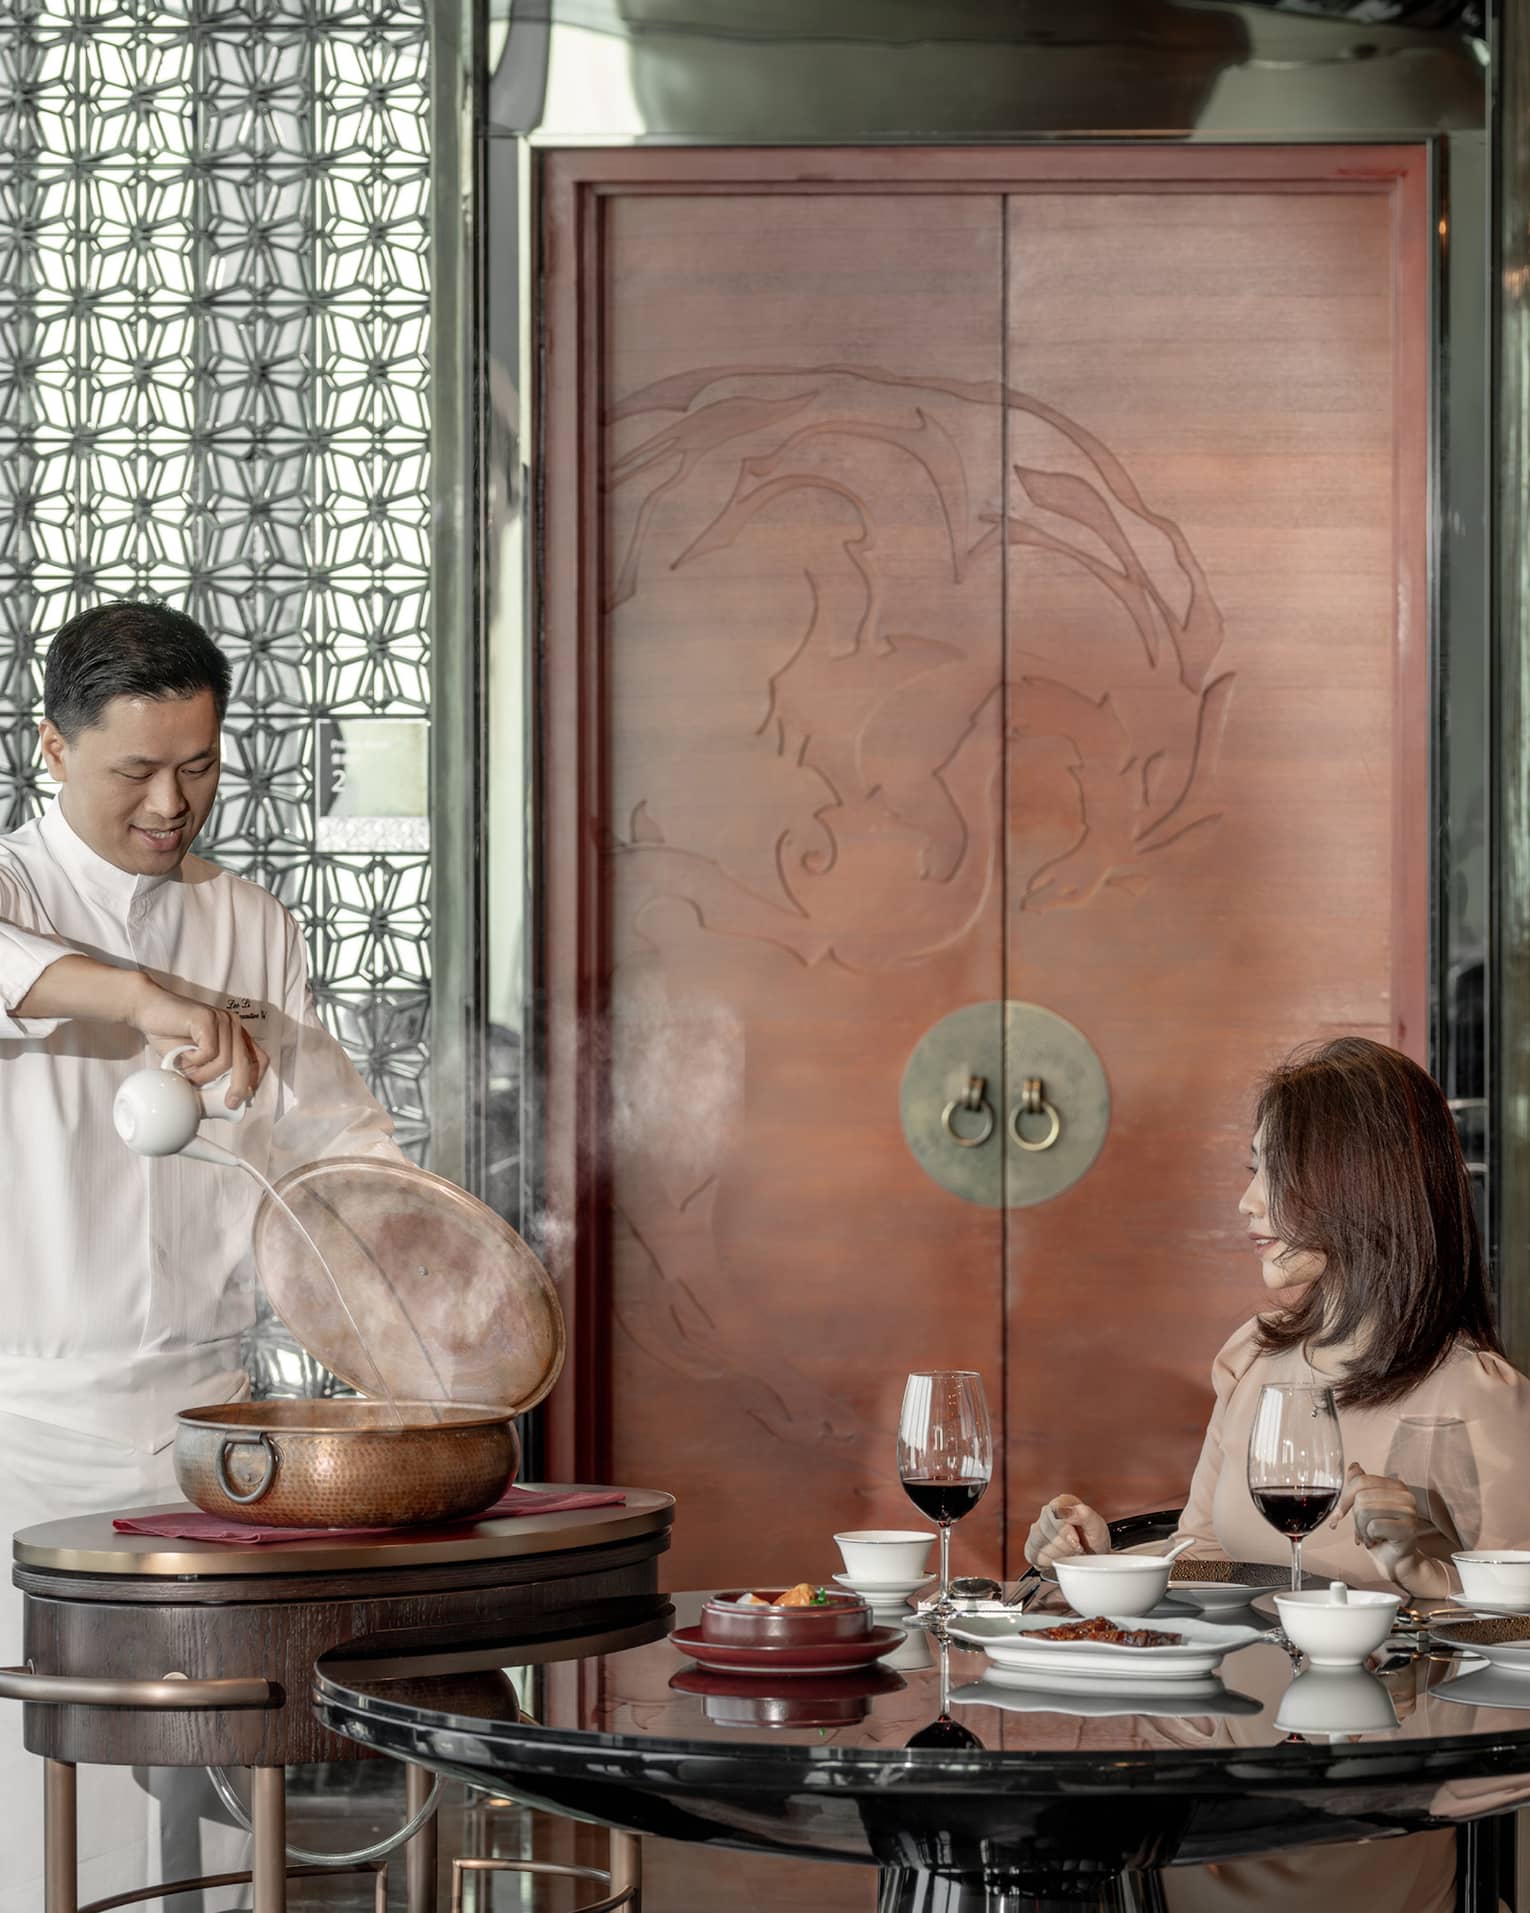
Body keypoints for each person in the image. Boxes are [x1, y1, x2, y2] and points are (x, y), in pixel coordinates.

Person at [0, 602, 401, 1910]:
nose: (175, 804)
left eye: (202, 765)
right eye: (136, 771)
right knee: (45, 1826)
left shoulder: (253, 925)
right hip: (26, 1436)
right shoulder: (18, 889)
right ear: (50, 751)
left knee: (219, 1819)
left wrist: (402, 1262)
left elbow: (329, 1159)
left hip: (208, 1439)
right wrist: (142, 995)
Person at [1026, 1036, 1530, 1597]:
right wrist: (1099, 1562)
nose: (1247, 1200)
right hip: (1254, 1684)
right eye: (1254, 1168)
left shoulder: (1473, 1394)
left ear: (1358, 1187)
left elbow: (1515, 1621)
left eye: (1276, 1173)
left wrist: (1420, 1573)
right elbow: (1205, 1558)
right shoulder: (1254, 1356)